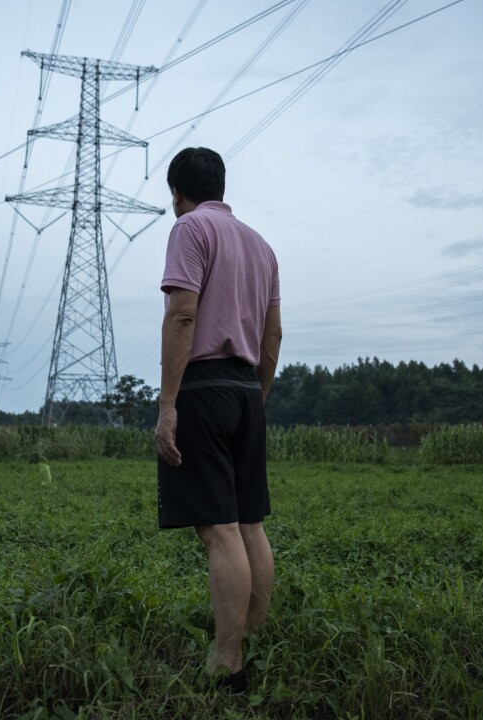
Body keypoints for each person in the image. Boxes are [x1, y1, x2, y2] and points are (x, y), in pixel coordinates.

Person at [155, 147, 282, 694]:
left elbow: (183, 314)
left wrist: (168, 406)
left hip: (204, 386)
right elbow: (273, 335)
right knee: (250, 523)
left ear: (177, 192)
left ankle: (227, 662)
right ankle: (248, 636)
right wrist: (257, 396)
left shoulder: (190, 229)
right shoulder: (261, 245)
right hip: (246, 389)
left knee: (220, 530)